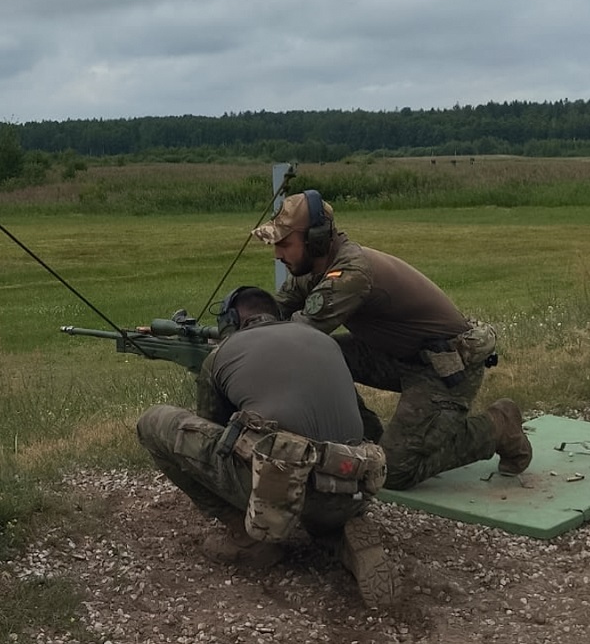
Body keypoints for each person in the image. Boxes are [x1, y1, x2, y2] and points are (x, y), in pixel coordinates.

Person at [250, 190, 532, 491]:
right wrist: (243, 321)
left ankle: (499, 425)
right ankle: (366, 436)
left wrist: (244, 348)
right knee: (321, 355)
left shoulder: (350, 273)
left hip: (442, 369)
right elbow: (278, 310)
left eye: (284, 243)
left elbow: (297, 334)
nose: (278, 254)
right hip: (398, 355)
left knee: (394, 473)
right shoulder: (313, 269)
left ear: (315, 240)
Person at [136, 286, 396, 606]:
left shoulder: (222, 354)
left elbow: (212, 434)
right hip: (354, 482)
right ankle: (341, 534)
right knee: (319, 481)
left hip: (280, 489)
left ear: (231, 321)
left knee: (153, 422)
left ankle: (246, 537)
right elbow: (369, 425)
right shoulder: (324, 341)